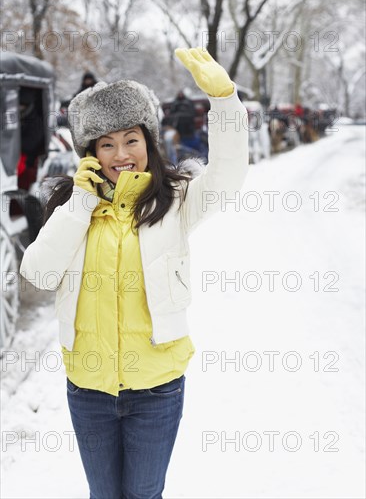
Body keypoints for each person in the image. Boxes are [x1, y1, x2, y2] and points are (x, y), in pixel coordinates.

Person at [19, 47, 249, 499]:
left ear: (149, 141)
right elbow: (39, 274)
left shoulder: (175, 202)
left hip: (156, 388)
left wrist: (225, 103)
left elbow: (226, 174)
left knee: (144, 494)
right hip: (89, 389)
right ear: (90, 152)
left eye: (131, 139)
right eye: (106, 144)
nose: (120, 154)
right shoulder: (71, 209)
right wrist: (81, 205)